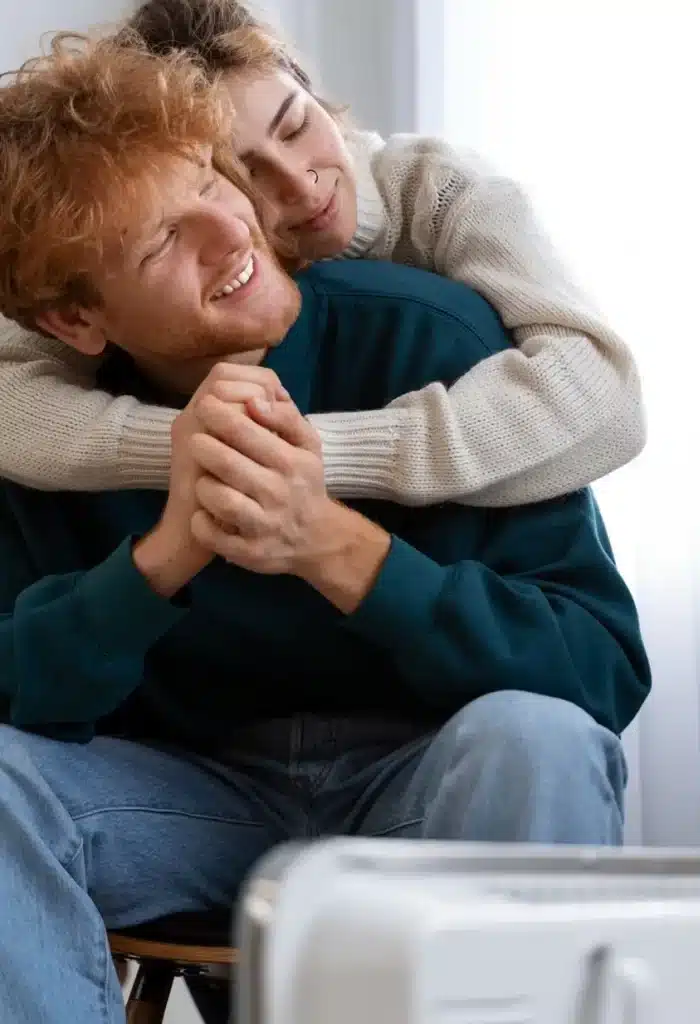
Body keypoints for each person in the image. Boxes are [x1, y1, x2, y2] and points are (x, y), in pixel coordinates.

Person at [0, 35, 649, 1023]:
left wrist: (336, 548)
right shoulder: (45, 433)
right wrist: (160, 561)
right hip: (189, 799)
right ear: (77, 323)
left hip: (425, 783)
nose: (230, 236)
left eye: (209, 188)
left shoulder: (436, 339)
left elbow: (598, 671)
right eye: (160, 241)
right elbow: (20, 692)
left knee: (538, 736)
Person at [0, 0, 645, 506]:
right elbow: (13, 407)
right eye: (244, 172)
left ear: (317, 95)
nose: (302, 184)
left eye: (297, 124)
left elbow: (607, 400)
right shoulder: (163, 260)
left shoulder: (444, 195)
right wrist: (195, 449)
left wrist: (308, 454)